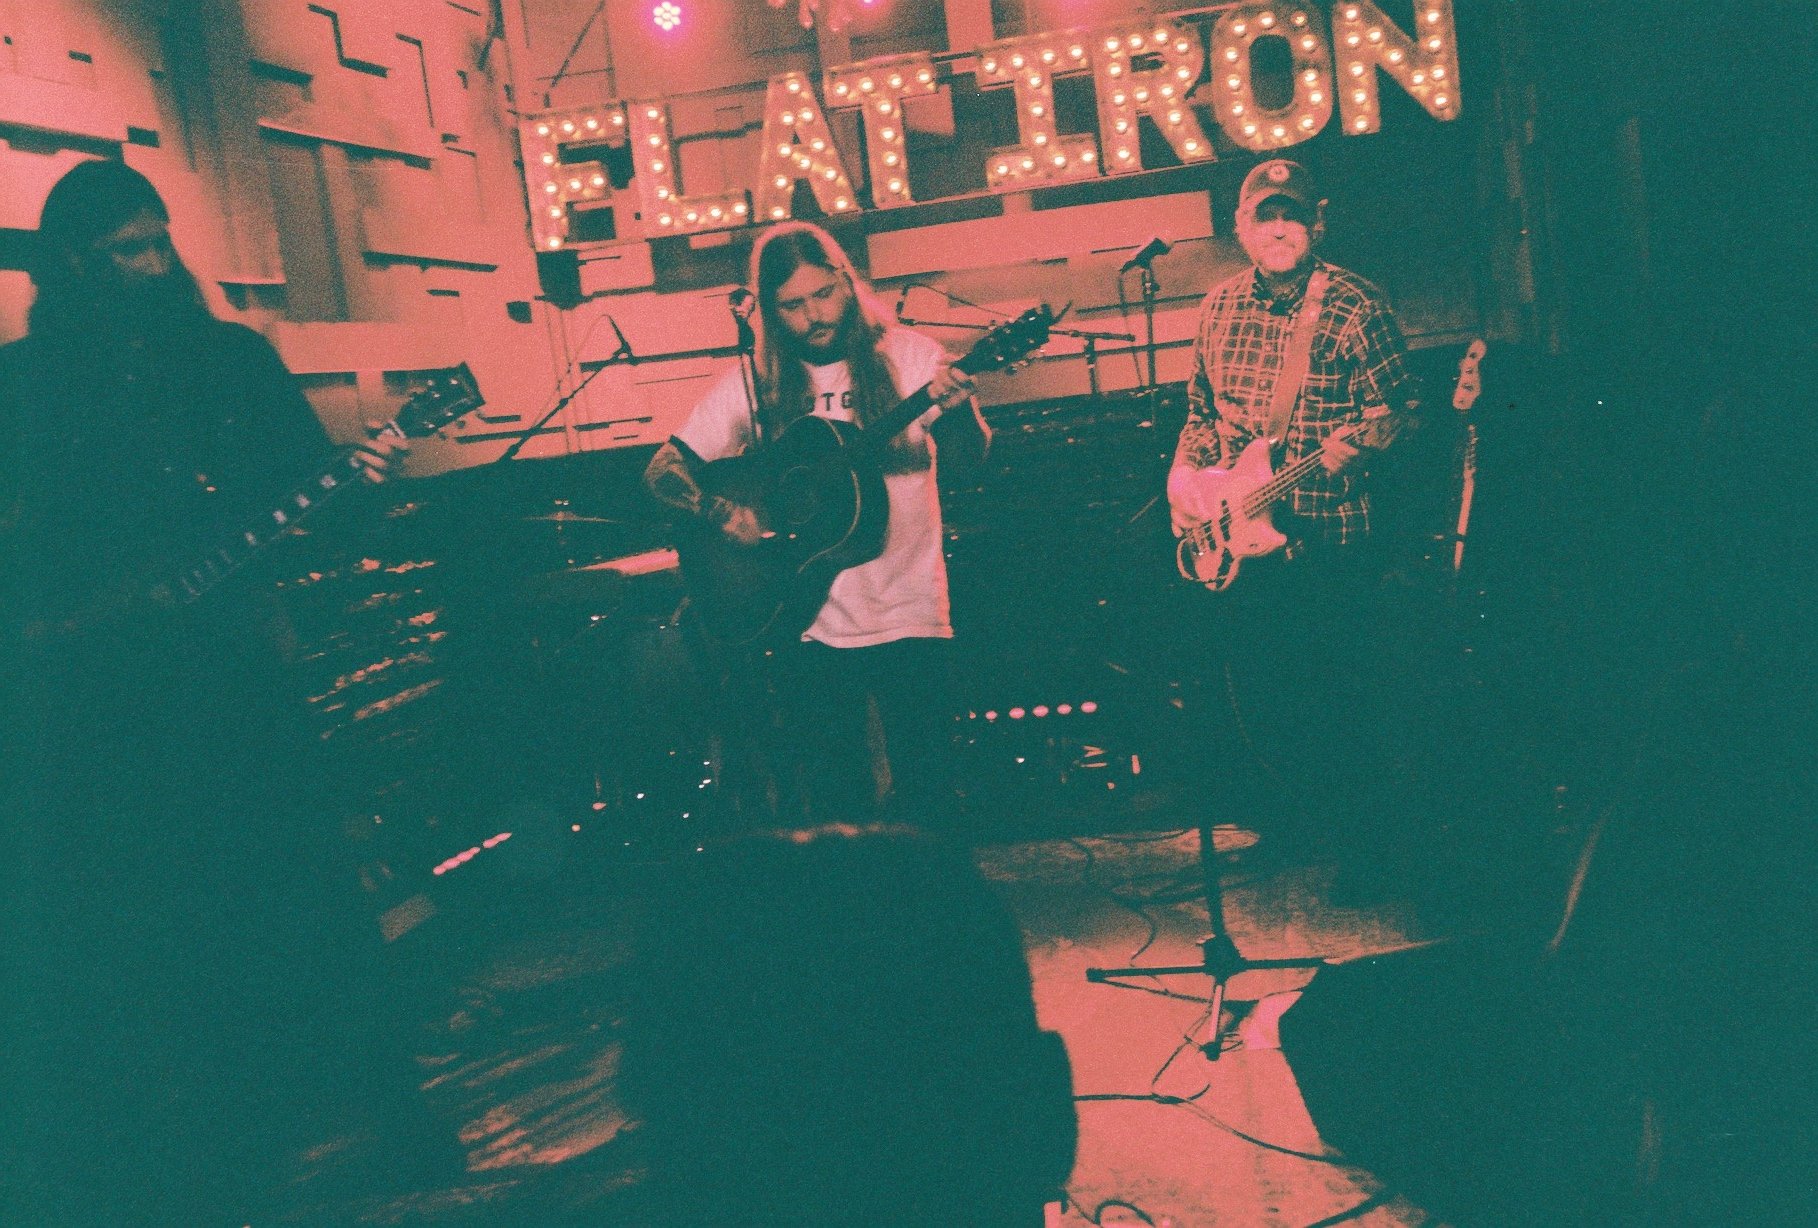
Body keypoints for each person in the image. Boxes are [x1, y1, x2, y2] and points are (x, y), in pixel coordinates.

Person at [0, 159, 436, 1224]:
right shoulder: (27, 385)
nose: (154, 266)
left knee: (313, 893)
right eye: (126, 253)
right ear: (74, 266)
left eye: (161, 243)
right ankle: (216, 1161)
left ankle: (401, 1122)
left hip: (238, 675)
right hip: (105, 705)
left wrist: (357, 489)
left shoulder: (232, 362)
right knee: (164, 933)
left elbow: (308, 506)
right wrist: (80, 614)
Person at [642, 221, 987, 827]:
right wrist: (721, 513)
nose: (814, 315)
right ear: (769, 312)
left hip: (912, 609)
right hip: (807, 618)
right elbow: (663, 469)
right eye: (792, 305)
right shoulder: (757, 384)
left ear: (847, 282)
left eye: (823, 294)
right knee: (837, 807)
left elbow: (968, 463)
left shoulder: (910, 356)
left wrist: (961, 413)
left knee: (930, 794)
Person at [1164, 159, 1425, 887]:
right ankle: (1296, 832)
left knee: (1340, 704)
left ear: (1318, 222)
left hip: (1330, 537)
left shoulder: (1354, 305)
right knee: (1265, 704)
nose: (1279, 229)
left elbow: (1404, 412)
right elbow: (1200, 415)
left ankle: (1368, 855)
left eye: (1293, 215)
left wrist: (1360, 449)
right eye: (1265, 216)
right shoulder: (1218, 307)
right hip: (1242, 539)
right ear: (1241, 227)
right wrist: (1187, 478)